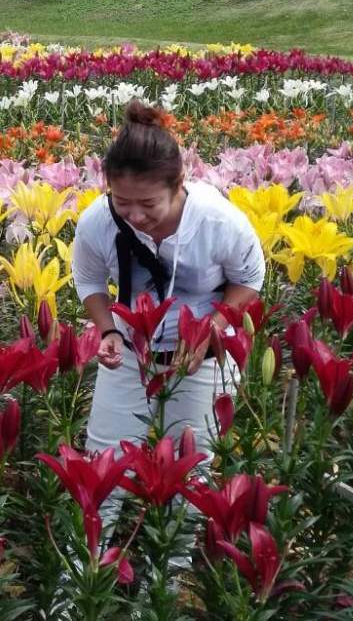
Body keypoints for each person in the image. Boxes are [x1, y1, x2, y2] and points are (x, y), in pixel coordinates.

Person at [71, 100, 265, 455]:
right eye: (122, 201)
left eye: (148, 204)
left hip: (201, 356)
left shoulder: (218, 221)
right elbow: (89, 281)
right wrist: (108, 330)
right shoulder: (97, 221)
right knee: (105, 455)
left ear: (178, 185)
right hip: (130, 350)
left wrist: (212, 329)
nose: (134, 215)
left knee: (192, 462)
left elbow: (250, 278)